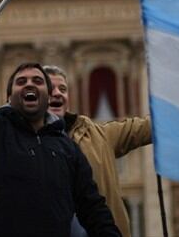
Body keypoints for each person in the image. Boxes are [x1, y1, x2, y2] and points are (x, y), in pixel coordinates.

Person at [0, 16, 121, 237]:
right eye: (21, 81)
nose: (29, 83)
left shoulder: (67, 148)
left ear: (48, 97)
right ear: (9, 97)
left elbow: (92, 207)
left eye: (38, 81)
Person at [44, 65, 152, 237]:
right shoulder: (20, 140)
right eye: (50, 89)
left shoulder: (99, 135)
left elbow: (143, 128)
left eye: (63, 89)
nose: (57, 93)